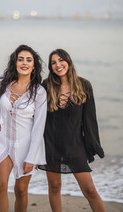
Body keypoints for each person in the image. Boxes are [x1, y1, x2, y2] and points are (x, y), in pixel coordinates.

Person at [0, 45, 47, 212]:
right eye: (20, 59)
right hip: (3, 142)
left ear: (34, 66)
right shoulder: (2, 82)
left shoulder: (39, 92)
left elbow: (39, 126)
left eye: (28, 60)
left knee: (21, 190)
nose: (24, 63)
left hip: (26, 145)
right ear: (15, 63)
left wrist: (32, 157)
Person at [38, 49, 106, 212]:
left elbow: (90, 119)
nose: (58, 65)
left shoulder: (84, 85)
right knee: (54, 187)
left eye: (61, 60)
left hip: (75, 146)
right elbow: (36, 117)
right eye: (53, 62)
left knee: (90, 191)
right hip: (51, 146)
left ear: (68, 61)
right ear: (50, 67)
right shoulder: (46, 86)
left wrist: (93, 145)